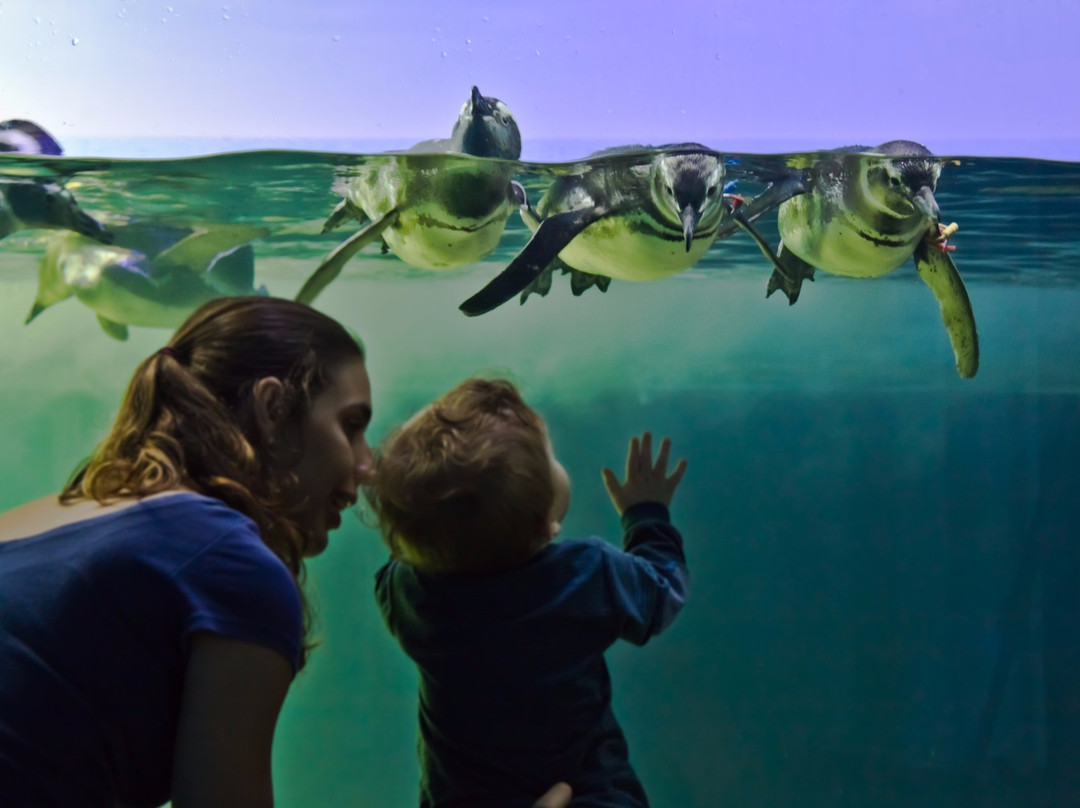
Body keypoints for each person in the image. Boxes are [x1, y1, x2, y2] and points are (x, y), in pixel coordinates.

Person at [0, 297, 571, 808]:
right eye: (350, 426)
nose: (367, 465)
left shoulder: (45, 514)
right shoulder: (230, 560)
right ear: (273, 411)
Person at [368, 377, 690, 808]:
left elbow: (398, 563)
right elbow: (662, 594)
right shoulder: (585, 574)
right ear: (547, 525)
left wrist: (423, 533)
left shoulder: (411, 594)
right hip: (591, 795)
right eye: (549, 457)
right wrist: (646, 514)